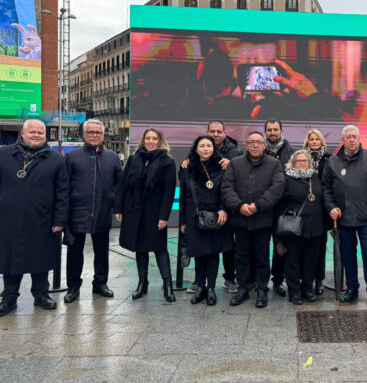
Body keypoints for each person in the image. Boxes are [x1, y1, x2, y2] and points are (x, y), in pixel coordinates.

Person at [0, 119, 68, 316]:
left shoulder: (56, 160)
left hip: (42, 219)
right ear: (23, 133)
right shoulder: (3, 155)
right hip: (8, 219)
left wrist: (59, 219)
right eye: (33, 132)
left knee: (41, 258)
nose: (37, 136)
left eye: (41, 133)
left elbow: (62, 192)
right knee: (10, 258)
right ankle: (9, 298)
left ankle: (41, 294)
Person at [322, 125, 367, 312]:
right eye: (348, 137)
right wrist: (331, 207)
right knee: (348, 256)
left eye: (354, 137)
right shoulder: (333, 162)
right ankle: (352, 288)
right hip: (344, 219)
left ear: (359, 139)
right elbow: (326, 188)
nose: (351, 140)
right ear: (342, 140)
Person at [221, 132, 285, 308]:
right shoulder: (235, 164)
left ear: (264, 146)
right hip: (240, 219)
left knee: (262, 256)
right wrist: (240, 206)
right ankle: (243, 288)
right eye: (251, 142)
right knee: (241, 256)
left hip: (263, 219)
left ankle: (262, 289)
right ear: (246, 145)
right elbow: (227, 188)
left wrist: (257, 206)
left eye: (259, 142)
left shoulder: (274, 164)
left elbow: (276, 189)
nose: (255, 145)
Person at [114, 128, 177, 302]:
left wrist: (164, 216)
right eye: (147, 138)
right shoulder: (134, 159)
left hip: (155, 213)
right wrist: (118, 209)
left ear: (160, 140)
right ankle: (142, 284)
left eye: (154, 138)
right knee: (139, 248)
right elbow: (123, 185)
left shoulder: (167, 162)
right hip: (134, 211)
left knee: (160, 249)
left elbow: (168, 192)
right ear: (143, 140)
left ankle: (168, 285)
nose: (150, 141)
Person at [63, 119, 122, 304]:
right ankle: (73, 287)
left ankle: (100, 284)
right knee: (74, 253)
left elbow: (119, 186)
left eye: (98, 132)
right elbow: (63, 187)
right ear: (84, 134)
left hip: (102, 212)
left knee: (102, 252)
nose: (94, 135)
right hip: (76, 213)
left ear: (103, 135)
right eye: (91, 132)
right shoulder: (71, 157)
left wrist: (116, 207)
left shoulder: (113, 158)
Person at [182, 120, 242, 296]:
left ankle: (215, 286)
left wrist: (224, 208)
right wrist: (183, 222)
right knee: (200, 252)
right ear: (197, 148)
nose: (206, 148)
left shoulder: (226, 162)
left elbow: (227, 190)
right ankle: (200, 285)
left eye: (209, 146)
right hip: (196, 217)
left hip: (218, 216)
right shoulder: (188, 166)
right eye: (203, 145)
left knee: (217, 251)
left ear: (224, 133)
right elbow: (185, 196)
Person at [279, 150, 325, 305]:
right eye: (299, 161)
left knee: (310, 261)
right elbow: (281, 205)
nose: (303, 163)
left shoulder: (315, 178)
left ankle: (307, 288)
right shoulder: (287, 179)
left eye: (305, 160)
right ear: (293, 163)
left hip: (315, 228)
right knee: (293, 260)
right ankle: (293, 291)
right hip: (294, 228)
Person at [264, 118, 295, 297]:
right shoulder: (258, 150)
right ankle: (257, 280)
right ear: (265, 132)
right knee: (259, 246)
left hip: (282, 207)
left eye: (276, 129)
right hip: (261, 206)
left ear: (281, 131)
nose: (273, 133)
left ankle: (278, 280)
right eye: (269, 130)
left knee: (280, 246)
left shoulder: (291, 152)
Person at [303, 128, 331, 295]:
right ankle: (304, 278)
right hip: (304, 209)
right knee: (304, 248)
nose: (314, 142)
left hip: (322, 210)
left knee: (320, 248)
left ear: (321, 142)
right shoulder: (301, 158)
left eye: (317, 139)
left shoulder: (328, 160)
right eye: (311, 139)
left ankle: (318, 280)